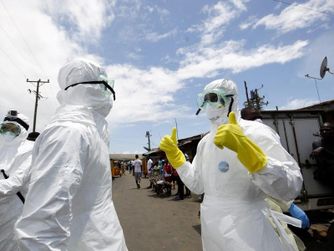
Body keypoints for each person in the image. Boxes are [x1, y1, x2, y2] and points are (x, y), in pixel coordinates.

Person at [160, 79, 303, 251]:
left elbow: (291, 187)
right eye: (203, 99)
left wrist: (255, 159)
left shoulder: (255, 132)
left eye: (213, 97)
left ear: (232, 100)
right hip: (212, 228)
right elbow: (198, 186)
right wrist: (179, 161)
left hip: (249, 229)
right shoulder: (205, 142)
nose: (207, 104)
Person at [15, 59, 128, 251]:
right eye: (103, 82)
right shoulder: (69, 133)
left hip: (105, 240)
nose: (108, 89)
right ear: (85, 86)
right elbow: (40, 230)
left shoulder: (93, 131)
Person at [0, 110, 34, 251]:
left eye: (13, 129)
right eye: (5, 128)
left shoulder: (30, 150)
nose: (8, 132)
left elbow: (15, 183)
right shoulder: (1, 148)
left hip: (15, 210)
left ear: (23, 131)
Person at [311, 121, 334, 187]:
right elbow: (322, 161)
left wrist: (324, 150)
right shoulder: (317, 144)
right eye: (322, 130)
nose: (324, 132)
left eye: (327, 130)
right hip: (326, 173)